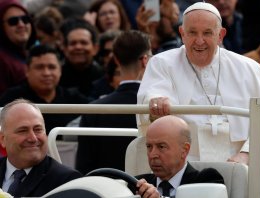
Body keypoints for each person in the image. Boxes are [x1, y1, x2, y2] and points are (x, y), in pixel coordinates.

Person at [137, 2, 260, 164]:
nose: (199, 41)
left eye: (207, 33)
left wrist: (246, 155)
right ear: (182, 33)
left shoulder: (249, 68)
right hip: (182, 165)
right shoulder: (162, 63)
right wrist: (156, 103)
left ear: (221, 35)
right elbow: (152, 96)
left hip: (240, 164)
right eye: (192, 33)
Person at [76, 30, 151, 174]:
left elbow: (84, 167)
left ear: (115, 59)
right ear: (145, 60)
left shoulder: (93, 110)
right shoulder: (162, 108)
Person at [0, 99, 82, 197]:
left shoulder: (67, 181)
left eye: (38, 130)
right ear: (3, 139)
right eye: (22, 130)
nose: (33, 138)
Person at [0, 44, 89, 134]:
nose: (46, 73)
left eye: (51, 67)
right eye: (39, 67)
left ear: (60, 70)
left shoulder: (75, 100)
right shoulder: (11, 100)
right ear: (27, 70)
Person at [129, 115, 224, 198]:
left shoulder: (207, 180)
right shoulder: (135, 185)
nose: (153, 154)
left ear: (184, 150)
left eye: (161, 146)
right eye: (149, 146)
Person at [59, 18, 104, 100]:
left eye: (84, 43)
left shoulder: (105, 77)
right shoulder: (56, 78)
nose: (78, 47)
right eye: (73, 43)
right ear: (65, 49)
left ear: (95, 48)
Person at [0, 0, 36, 96]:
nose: (21, 25)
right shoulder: (2, 60)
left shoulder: (32, 53)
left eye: (25, 19)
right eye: (13, 21)